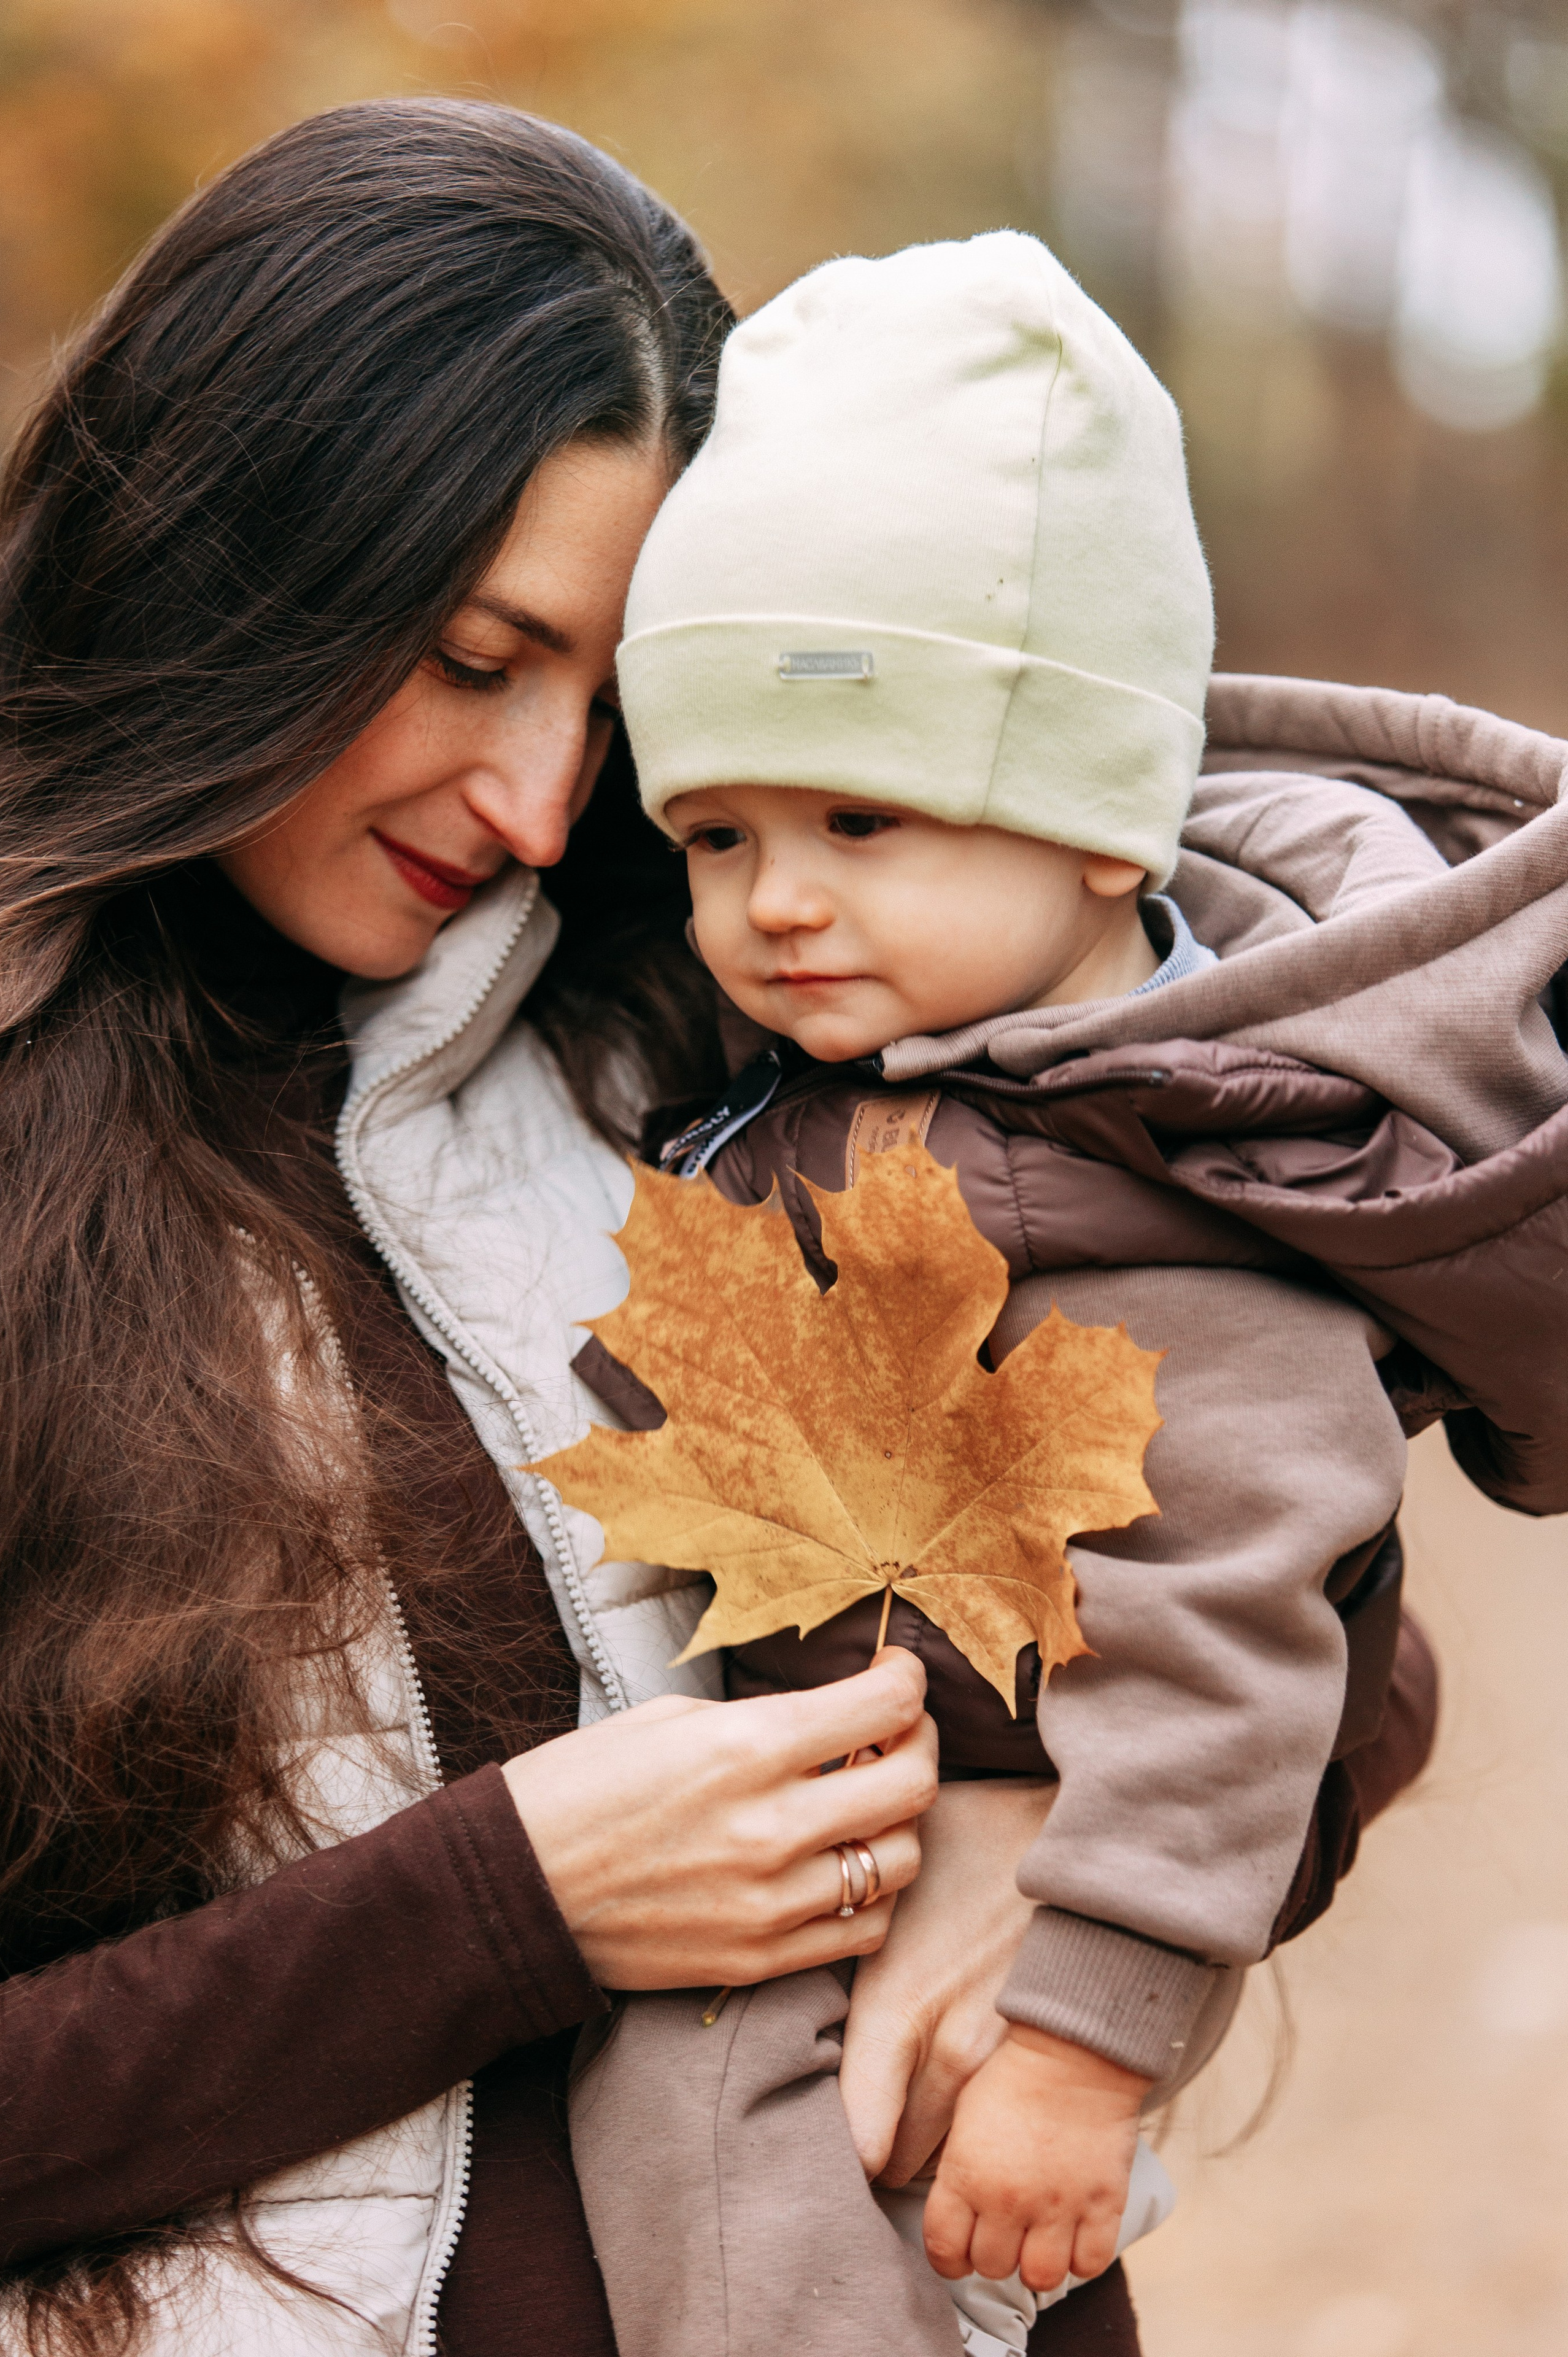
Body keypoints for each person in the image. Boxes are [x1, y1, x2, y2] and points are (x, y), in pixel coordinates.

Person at [0, 101, 1437, 2357]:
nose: (551, 803)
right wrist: (508, 1905)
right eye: (477, 659)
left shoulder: (739, 1031)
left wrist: (1014, 1854)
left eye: (619, 696)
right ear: (246, 564)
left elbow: (1307, 1638)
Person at [563, 233, 1568, 2357]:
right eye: (717, 837)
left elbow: (1230, 1653)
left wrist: (1086, 2044)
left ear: (1102, 832)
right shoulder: (892, 1063)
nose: (777, 902)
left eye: (858, 813)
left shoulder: (1159, 1182)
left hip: (1017, 1924)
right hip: (806, 1826)